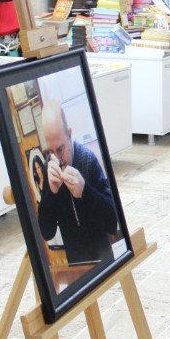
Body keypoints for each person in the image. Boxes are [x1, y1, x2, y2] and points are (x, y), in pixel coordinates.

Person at [37, 101, 119, 266]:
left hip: (102, 258)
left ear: (69, 134)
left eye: (60, 149)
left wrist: (85, 192)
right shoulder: (49, 167)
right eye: (50, 151)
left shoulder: (88, 159)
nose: (57, 159)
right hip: (74, 263)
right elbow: (47, 232)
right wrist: (50, 195)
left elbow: (112, 221)